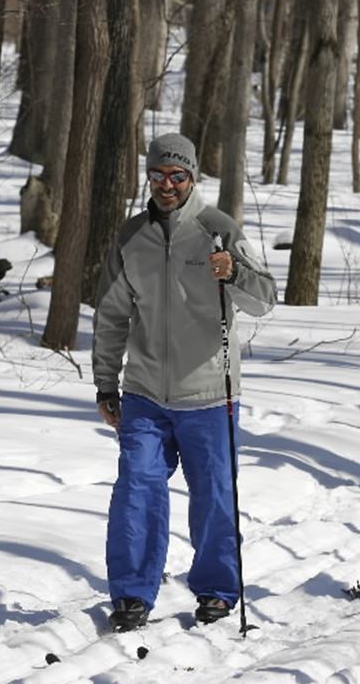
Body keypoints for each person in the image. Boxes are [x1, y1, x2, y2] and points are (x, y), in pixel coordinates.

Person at [92, 132, 277, 633]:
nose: (166, 185)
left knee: (214, 495)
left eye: (177, 176)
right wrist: (106, 385)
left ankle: (216, 590)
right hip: (146, 392)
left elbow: (265, 299)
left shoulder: (216, 228)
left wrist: (234, 270)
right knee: (136, 489)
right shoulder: (131, 238)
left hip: (209, 392)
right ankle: (131, 594)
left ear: (193, 176)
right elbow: (111, 317)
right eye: (157, 176)